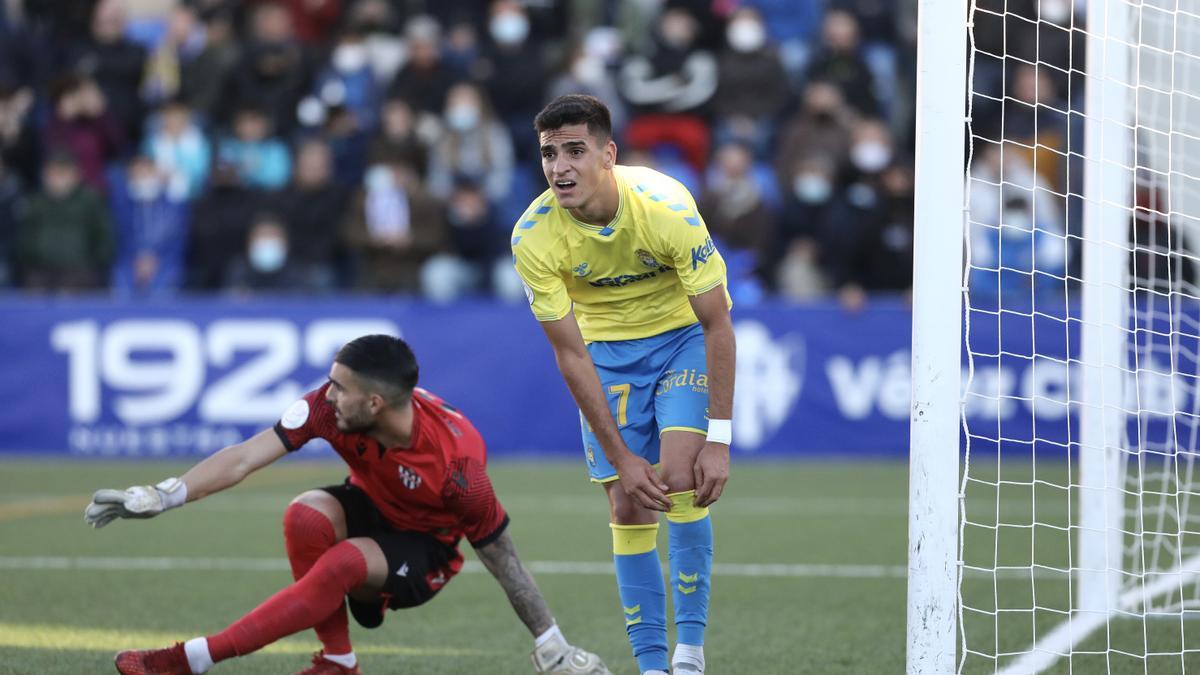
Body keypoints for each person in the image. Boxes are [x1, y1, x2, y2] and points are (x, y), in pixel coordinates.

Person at [85, 334, 611, 675]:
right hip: (369, 504)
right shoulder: (329, 408)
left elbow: (504, 560)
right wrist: (164, 494)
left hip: (425, 550)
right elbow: (246, 456)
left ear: (375, 403)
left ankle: (193, 659)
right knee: (304, 515)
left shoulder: (458, 465)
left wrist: (551, 645)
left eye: (340, 388)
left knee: (340, 563)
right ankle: (339, 660)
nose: (326, 395)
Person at [511, 94, 734, 675]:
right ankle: (652, 667)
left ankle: (689, 657)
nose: (560, 167)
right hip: (603, 355)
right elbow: (569, 354)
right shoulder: (532, 237)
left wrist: (721, 437)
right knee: (629, 504)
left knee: (679, 478)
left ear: (608, 154)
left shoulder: (666, 206)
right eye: (549, 153)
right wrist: (620, 458)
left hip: (679, 339)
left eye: (575, 151)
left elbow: (717, 321)